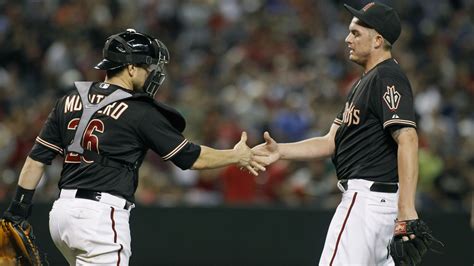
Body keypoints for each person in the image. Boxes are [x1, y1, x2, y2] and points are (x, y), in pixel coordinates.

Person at [1, 28, 265, 265]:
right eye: (148, 66)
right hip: (99, 218)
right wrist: (236, 155)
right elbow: (190, 158)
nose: (153, 73)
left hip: (60, 216)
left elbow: (36, 160)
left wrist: (17, 210)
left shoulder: (69, 100)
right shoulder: (139, 111)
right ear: (130, 68)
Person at [254, 3, 429, 265]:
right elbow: (329, 142)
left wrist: (406, 210)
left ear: (378, 40)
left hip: (366, 202)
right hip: (378, 204)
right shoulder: (363, 83)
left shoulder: (387, 76)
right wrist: (281, 151)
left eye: (356, 33)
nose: (348, 39)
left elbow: (407, 138)